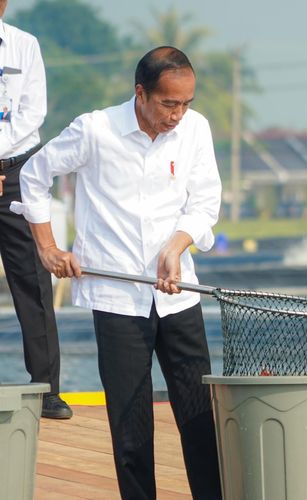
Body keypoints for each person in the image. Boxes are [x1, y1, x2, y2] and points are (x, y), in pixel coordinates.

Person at [12, 46, 222, 499]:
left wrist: (177, 243)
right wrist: (48, 248)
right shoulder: (95, 130)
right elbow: (33, 175)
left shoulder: (196, 130)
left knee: (199, 415)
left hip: (178, 292)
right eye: (169, 103)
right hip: (116, 299)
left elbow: (205, 203)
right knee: (130, 424)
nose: (178, 115)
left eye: (186, 103)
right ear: (140, 93)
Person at [0, 0, 71, 419]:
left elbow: (32, 113)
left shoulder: (25, 46)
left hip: (19, 171)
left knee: (33, 282)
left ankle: (46, 390)